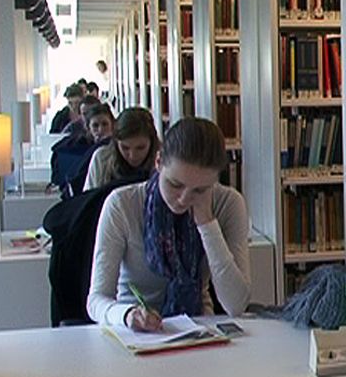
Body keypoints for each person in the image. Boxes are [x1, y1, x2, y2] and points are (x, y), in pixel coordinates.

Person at [87, 117, 250, 330]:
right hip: (133, 329)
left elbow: (236, 305)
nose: (184, 199)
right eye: (175, 184)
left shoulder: (229, 203)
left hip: (198, 326)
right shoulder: (122, 204)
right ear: (158, 162)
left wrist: (207, 222)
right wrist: (127, 314)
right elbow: (96, 299)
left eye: (200, 190)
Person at [83, 107, 159, 191]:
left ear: (152, 143)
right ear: (116, 143)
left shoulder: (165, 162)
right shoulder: (101, 159)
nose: (132, 156)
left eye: (140, 148)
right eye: (125, 148)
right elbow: (88, 199)